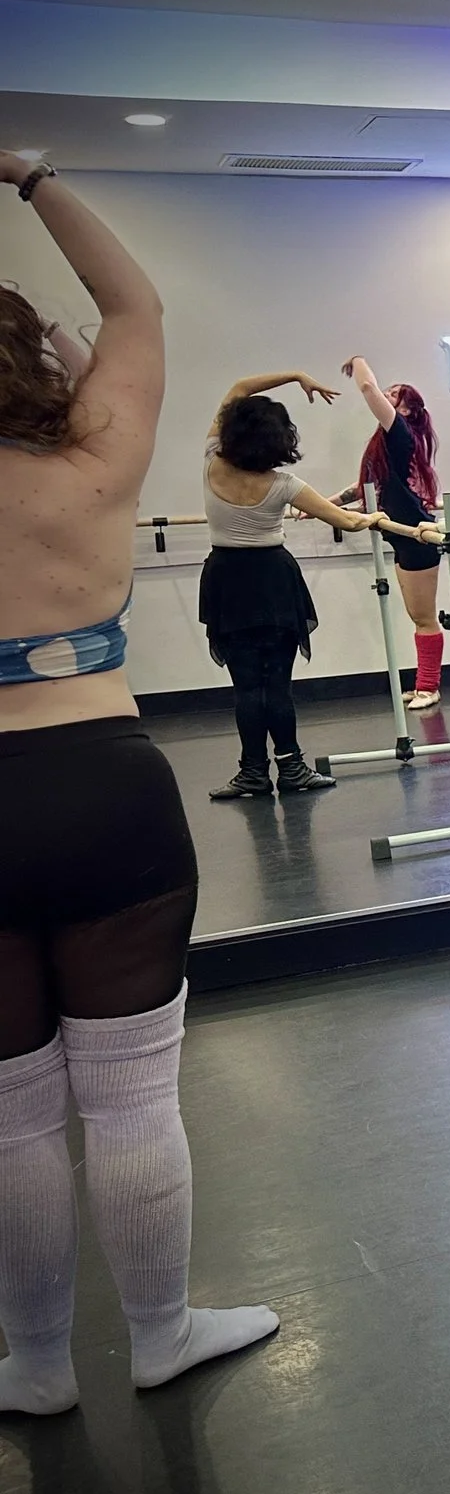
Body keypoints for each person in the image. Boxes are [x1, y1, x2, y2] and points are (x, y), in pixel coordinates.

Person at [0, 150, 279, 1417]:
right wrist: (28, 174)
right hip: (101, 783)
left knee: (10, 1118)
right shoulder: (93, 453)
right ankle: (158, 1334)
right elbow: (134, 310)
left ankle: (41, 1367)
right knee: (128, 1096)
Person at [200, 372, 391, 798]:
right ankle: (292, 769)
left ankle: (252, 772)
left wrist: (294, 376)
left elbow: (238, 387)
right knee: (277, 685)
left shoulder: (213, 458)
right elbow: (349, 521)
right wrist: (377, 517)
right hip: (273, 581)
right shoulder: (285, 485)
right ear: (278, 441)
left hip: (227, 579)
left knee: (247, 687)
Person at [338, 356, 446, 708]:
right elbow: (364, 487)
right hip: (400, 538)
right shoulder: (384, 444)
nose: (386, 394)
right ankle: (422, 685)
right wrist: (324, 504)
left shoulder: (400, 432)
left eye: (395, 395)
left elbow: (368, 387)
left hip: (415, 536)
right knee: (417, 617)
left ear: (409, 411)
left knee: (424, 617)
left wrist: (357, 360)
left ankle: (429, 687)